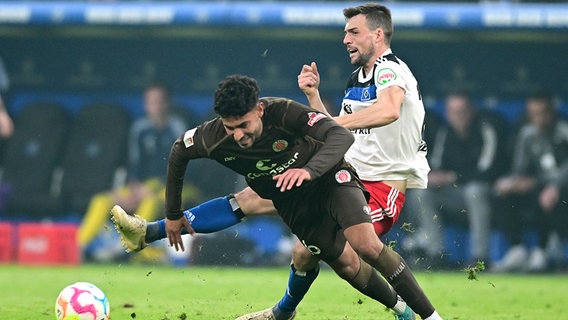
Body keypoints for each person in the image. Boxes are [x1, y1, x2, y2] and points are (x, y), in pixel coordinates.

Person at [112, 4, 443, 320]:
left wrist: (324, 130)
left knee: (344, 248)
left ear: (378, 35)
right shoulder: (357, 80)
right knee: (254, 202)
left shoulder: (390, 69)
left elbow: (387, 111)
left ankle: (418, 313)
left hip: (380, 185)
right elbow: (332, 131)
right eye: (345, 32)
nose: (345, 39)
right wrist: (314, 98)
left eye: (353, 32)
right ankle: (150, 232)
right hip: (345, 169)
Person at [78, 82, 199, 259]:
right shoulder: (140, 129)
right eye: (151, 102)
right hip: (143, 186)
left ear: (168, 103)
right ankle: (76, 248)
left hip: (180, 186)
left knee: (151, 200)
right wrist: (134, 188)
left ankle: (127, 248)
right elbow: (134, 164)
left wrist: (153, 188)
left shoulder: (179, 127)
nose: (155, 106)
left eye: (159, 101)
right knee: (101, 200)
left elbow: (185, 165)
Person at [401, 92, 502, 268]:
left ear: (472, 111)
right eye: (454, 112)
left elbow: (487, 171)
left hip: (487, 195)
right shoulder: (446, 132)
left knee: (474, 191)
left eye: (463, 111)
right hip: (456, 195)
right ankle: (436, 254)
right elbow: (437, 165)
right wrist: (433, 177)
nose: (459, 117)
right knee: (423, 193)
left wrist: (452, 177)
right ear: (448, 114)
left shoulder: (485, 130)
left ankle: (480, 257)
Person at [491, 92, 568, 273]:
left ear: (551, 113)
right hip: (538, 185)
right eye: (533, 114)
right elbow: (520, 169)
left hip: (562, 188)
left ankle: (543, 250)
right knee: (503, 192)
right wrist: (512, 182)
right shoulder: (527, 134)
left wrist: (554, 185)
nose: (538, 119)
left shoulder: (564, 130)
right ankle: (517, 249)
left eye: (542, 113)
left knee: (546, 195)